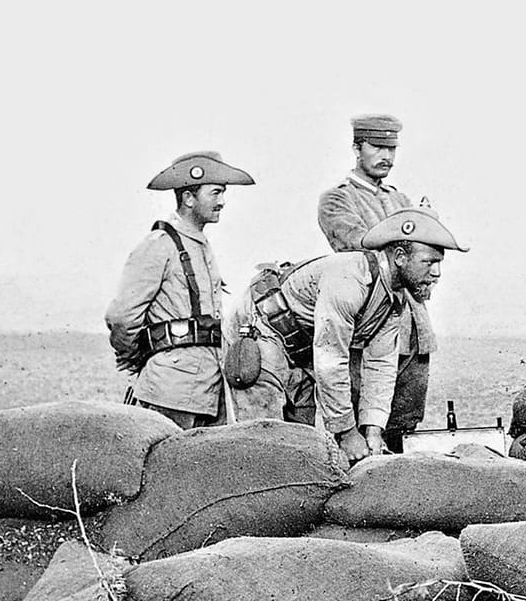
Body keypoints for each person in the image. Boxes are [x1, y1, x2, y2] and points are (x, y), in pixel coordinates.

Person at [226, 206, 468, 464]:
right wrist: (348, 433)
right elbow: (331, 361)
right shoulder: (349, 280)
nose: (436, 273)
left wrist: (373, 430)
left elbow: (381, 365)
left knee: (309, 443)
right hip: (264, 332)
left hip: (302, 347)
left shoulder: (394, 299)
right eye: (429, 262)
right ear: (399, 256)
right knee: (264, 442)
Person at [105, 151, 253, 428]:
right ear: (188, 197)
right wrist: (135, 357)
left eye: (223, 193)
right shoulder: (159, 244)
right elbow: (122, 316)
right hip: (170, 391)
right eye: (215, 193)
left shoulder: (200, 244)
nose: (222, 201)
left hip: (209, 389)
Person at [316, 113, 433, 451]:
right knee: (357, 428)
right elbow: (359, 245)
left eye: (391, 149)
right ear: (357, 147)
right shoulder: (337, 200)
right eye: (377, 147)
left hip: (413, 331)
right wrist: (419, 232)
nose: (386, 157)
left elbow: (424, 260)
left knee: (403, 429)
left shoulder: (400, 200)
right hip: (364, 331)